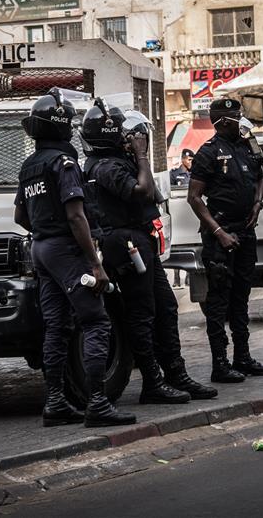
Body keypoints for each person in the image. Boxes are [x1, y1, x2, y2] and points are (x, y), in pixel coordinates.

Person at [14, 88, 135, 428]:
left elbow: (20, 217)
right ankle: (97, 402)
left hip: (41, 250)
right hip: (66, 250)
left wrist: (44, 229)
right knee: (96, 321)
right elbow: (77, 216)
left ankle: (55, 402)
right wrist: (94, 264)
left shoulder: (30, 166)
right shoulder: (63, 163)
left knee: (56, 326)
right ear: (60, 127)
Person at [82, 100, 217, 404]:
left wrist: (139, 158)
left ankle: (175, 374)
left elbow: (154, 193)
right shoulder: (105, 167)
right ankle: (152, 382)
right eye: (129, 136)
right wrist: (140, 155)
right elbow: (141, 192)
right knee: (141, 314)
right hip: (125, 244)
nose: (134, 140)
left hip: (140, 240)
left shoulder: (117, 162)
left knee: (166, 307)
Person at [187, 99, 263, 383]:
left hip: (245, 231)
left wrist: (258, 203)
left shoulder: (247, 146)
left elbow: (261, 178)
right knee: (218, 301)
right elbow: (194, 197)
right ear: (223, 121)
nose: (242, 121)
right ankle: (220, 364)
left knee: (241, 297)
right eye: (237, 117)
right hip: (221, 236)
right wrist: (218, 232)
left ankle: (243, 357)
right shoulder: (208, 153)